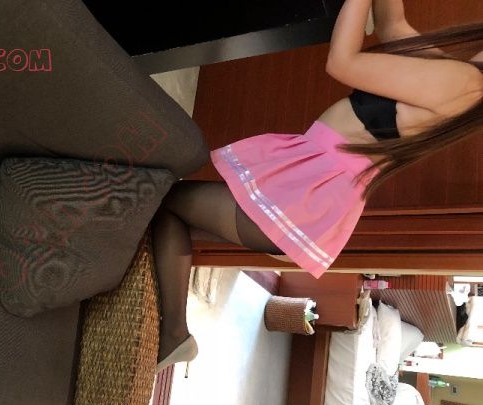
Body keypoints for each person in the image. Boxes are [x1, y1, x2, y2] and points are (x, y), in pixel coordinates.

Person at [153, 0, 483, 373]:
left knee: (167, 203)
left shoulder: (466, 84)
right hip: (314, 189)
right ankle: (173, 333)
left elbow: (342, 63)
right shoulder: (465, 83)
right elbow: (393, 26)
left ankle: (175, 335)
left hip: (307, 191)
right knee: (168, 217)